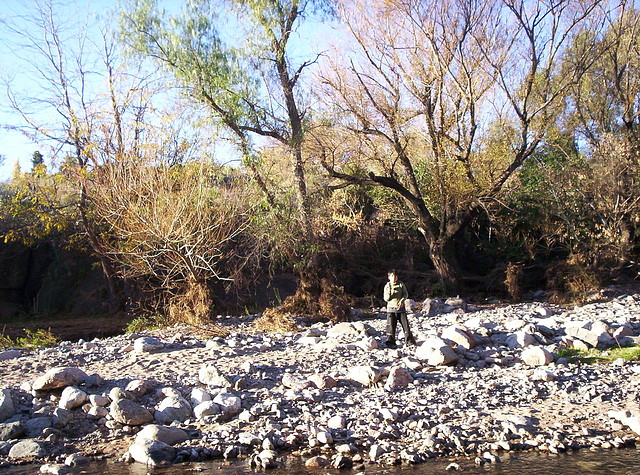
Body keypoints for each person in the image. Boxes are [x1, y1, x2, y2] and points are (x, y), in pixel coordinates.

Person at [383, 269, 416, 348]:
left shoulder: (401, 284)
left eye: (395, 276)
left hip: (401, 309)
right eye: (392, 276)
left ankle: (409, 341)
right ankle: (391, 342)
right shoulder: (387, 286)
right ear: (389, 277)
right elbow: (386, 298)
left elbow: (405, 294)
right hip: (391, 309)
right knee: (391, 326)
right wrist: (389, 291)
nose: (394, 278)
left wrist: (402, 301)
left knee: (405, 326)